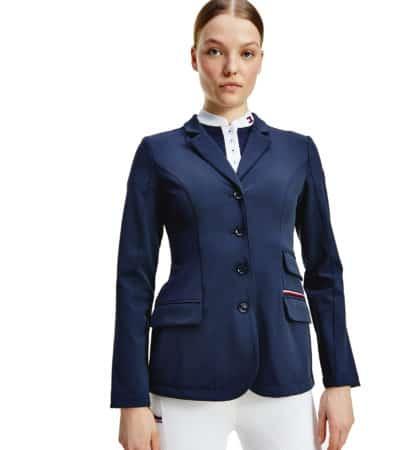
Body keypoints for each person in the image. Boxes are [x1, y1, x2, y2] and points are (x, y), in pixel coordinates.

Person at [110, 1, 361, 449]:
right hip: (186, 369)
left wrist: (338, 380)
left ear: (261, 59)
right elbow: (134, 279)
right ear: (194, 58)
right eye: (215, 51)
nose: (231, 67)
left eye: (246, 53)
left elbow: (325, 270)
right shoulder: (158, 154)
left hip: (282, 367)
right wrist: (131, 399)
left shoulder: (297, 152)